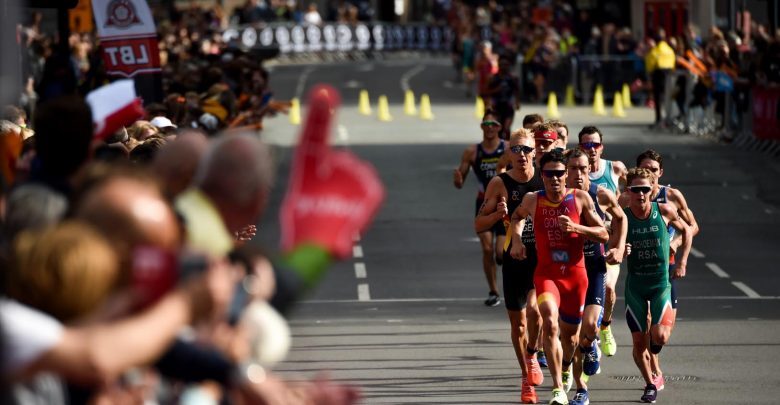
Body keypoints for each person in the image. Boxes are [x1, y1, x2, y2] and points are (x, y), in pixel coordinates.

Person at [509, 150, 609, 405]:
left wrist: (577, 228)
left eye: (559, 174)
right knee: (550, 322)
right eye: (549, 174)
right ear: (542, 176)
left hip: (576, 278)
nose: (554, 179)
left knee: (571, 338)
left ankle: (566, 369)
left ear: (566, 175)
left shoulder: (581, 198)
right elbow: (516, 217)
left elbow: (603, 234)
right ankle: (557, 389)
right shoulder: (533, 199)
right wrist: (517, 241)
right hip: (547, 276)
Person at [474, 128, 544, 403]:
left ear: (535, 152)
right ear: (509, 154)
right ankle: (526, 377)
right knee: (519, 326)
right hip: (514, 261)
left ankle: (532, 356)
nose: (522, 155)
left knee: (537, 312)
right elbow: (478, 224)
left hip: (542, 258)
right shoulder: (499, 184)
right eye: (516, 149)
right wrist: (496, 216)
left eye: (527, 149)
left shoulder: (545, 178)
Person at [563, 149, 627, 405]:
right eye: (573, 169)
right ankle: (581, 389)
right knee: (570, 335)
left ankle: (591, 345)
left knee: (589, 328)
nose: (578, 174)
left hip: (595, 267)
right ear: (565, 171)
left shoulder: (601, 194)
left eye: (582, 168)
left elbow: (622, 218)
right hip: (566, 272)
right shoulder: (558, 197)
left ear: (590, 168)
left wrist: (619, 247)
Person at [622, 167, 692, 403]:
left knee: (659, 336)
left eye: (645, 189)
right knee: (638, 342)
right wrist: (620, 251)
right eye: (636, 190)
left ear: (652, 190)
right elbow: (611, 246)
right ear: (628, 191)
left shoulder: (664, 210)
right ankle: (650, 383)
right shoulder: (623, 217)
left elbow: (688, 230)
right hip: (636, 287)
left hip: (661, 284)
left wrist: (681, 259)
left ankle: (654, 342)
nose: (640, 194)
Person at [633, 149, 699, 390]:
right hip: (641, 269)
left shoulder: (672, 196)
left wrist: (674, 245)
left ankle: (653, 351)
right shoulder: (632, 196)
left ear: (660, 172)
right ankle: (654, 368)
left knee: (660, 331)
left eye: (653, 169)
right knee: (647, 319)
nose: (649, 174)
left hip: (667, 268)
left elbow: (692, 228)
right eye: (645, 169)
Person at [577, 125, 626, 357]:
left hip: (609, 243)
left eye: (595, 144)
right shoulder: (573, 174)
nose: (591, 148)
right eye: (586, 145)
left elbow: (634, 193)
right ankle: (590, 334)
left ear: (601, 147)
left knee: (608, 288)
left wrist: (619, 245)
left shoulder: (614, 168)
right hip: (585, 244)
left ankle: (605, 327)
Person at [454, 109, 507, 307]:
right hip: (483, 204)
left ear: (500, 128)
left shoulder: (508, 149)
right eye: (486, 125)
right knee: (486, 249)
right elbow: (460, 181)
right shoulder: (472, 152)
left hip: (503, 204)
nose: (490, 128)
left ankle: (504, 266)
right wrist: (458, 180)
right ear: (481, 127)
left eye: (494, 124)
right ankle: (493, 291)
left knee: (501, 252)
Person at [646, 29, 676, 127]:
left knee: (658, 98)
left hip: (658, 75)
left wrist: (649, 74)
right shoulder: (669, 50)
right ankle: (669, 118)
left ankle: (659, 119)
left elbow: (650, 65)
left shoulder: (655, 51)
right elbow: (673, 63)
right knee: (669, 98)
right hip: (669, 75)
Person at [487, 57, 522, 139]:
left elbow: (517, 91)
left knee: (506, 128)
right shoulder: (494, 78)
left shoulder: (513, 78)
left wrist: (517, 102)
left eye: (506, 65)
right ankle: (499, 144)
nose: (504, 67)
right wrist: (496, 90)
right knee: (499, 128)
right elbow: (487, 91)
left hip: (508, 106)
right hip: (497, 106)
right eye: (502, 65)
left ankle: (507, 144)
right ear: (498, 66)